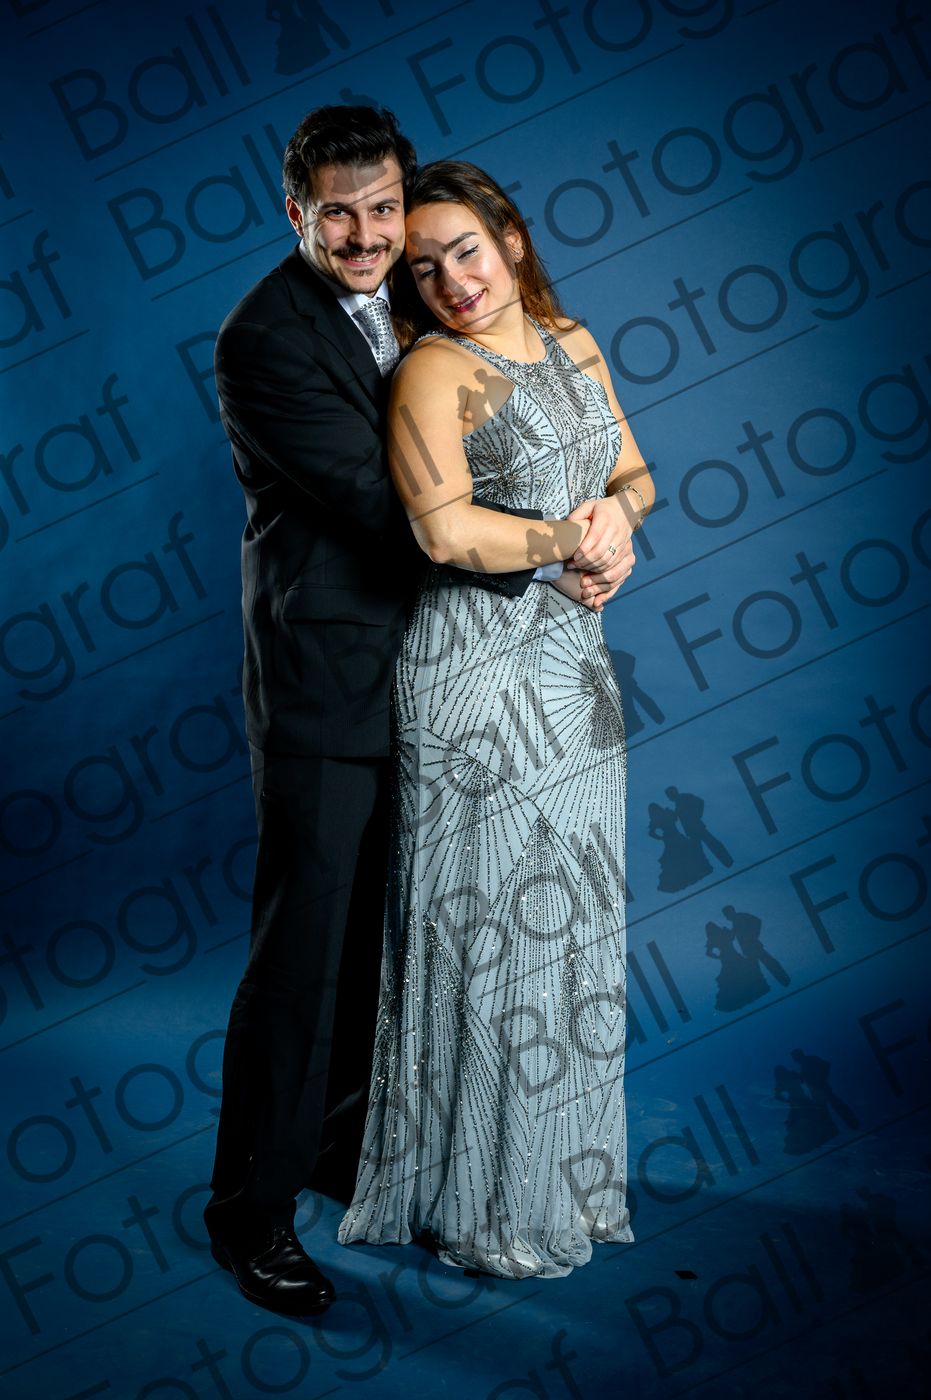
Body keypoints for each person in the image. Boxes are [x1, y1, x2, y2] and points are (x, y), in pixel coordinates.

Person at [203, 109, 627, 1317]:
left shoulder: (411, 289)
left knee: (400, 937)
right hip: (332, 682)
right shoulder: (263, 338)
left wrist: (612, 509)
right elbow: (395, 507)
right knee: (305, 953)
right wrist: (555, 537)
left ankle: (354, 1153)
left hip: (449, 677)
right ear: (296, 213)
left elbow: (528, 412)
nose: (366, 234)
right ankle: (251, 1211)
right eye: (337, 213)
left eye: (381, 207)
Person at [338, 160, 654, 1279]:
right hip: (473, 676)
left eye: (465, 250)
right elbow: (441, 531)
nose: (452, 280)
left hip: (574, 670)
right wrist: (570, 544)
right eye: (422, 267)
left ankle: (556, 1171)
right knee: (493, 932)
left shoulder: (572, 341)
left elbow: (633, 474)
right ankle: (476, 1194)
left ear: (510, 239)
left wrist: (614, 523)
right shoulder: (432, 370)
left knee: (569, 924)